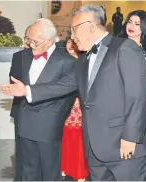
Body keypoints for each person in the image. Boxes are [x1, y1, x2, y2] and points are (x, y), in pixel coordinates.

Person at [1, 4, 146, 181]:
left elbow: (137, 95)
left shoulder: (124, 48)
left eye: (74, 30)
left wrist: (130, 137)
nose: (72, 37)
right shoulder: (83, 61)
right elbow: (63, 85)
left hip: (126, 148)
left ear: (90, 26)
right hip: (95, 150)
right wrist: (27, 90)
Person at [8, 18, 76, 181]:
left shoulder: (68, 61)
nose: (31, 45)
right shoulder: (23, 56)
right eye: (29, 40)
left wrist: (56, 117)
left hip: (48, 126)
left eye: (35, 42)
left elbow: (65, 93)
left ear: (49, 41)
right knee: (27, 171)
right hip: (25, 123)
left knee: (50, 172)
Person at [118, 10, 146, 133]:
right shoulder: (116, 48)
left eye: (137, 24)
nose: (131, 26)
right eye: (130, 22)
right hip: (119, 106)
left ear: (144, 28)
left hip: (141, 108)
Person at [60, 32, 88, 182]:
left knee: (78, 138)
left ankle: (79, 171)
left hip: (81, 105)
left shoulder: (85, 61)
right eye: (68, 42)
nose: (70, 45)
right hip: (65, 105)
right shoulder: (61, 61)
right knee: (65, 136)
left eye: (73, 42)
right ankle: (65, 167)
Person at [9, 25, 31, 181]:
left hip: (42, 111)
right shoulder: (18, 56)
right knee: (21, 150)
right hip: (20, 109)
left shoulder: (52, 58)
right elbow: (12, 81)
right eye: (27, 38)